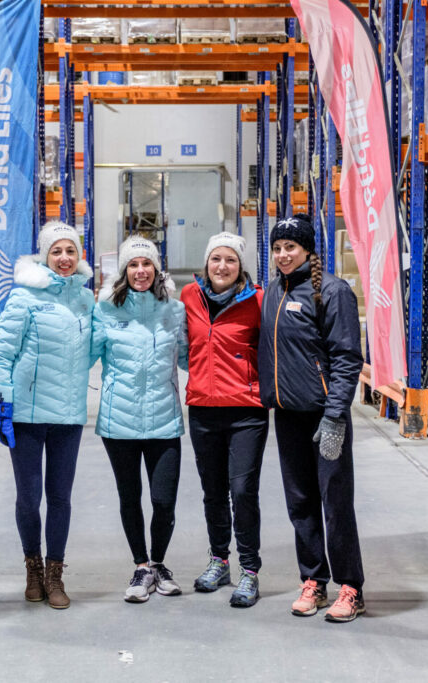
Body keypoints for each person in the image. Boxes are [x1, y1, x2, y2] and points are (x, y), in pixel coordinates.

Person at [258, 214, 366, 623]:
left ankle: (351, 587)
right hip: (288, 417)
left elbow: (347, 357)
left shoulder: (332, 292)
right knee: (300, 503)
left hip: (326, 417)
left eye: (292, 247)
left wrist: (336, 415)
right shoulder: (273, 292)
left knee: (335, 503)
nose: (284, 254)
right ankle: (314, 581)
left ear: (307, 249)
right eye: (278, 248)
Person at [0, 221, 95, 610]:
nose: (64, 259)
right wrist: (1, 405)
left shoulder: (87, 300)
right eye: (57, 252)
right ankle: (32, 566)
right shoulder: (24, 298)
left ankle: (55, 573)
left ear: (79, 256)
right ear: (45, 256)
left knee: (61, 498)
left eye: (71, 252)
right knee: (29, 497)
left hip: (68, 416)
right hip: (28, 416)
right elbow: (0, 354)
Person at [92, 235, 188, 603]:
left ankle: (159, 563)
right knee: (129, 497)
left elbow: (187, 359)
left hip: (164, 420)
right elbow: (83, 355)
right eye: (133, 264)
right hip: (119, 422)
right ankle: (141, 566)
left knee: (164, 501)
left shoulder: (173, 310)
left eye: (146, 264)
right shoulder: (106, 308)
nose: (140, 270)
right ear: (124, 271)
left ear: (157, 269)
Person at [181, 232, 268, 608]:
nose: (222, 266)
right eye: (216, 259)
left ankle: (249, 569)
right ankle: (220, 561)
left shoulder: (259, 300)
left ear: (241, 266)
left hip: (247, 410)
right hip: (202, 408)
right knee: (213, 491)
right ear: (206, 263)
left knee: (243, 490)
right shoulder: (189, 296)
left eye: (230, 260)